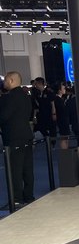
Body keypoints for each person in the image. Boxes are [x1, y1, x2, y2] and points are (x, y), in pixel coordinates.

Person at [0, 71, 35, 208]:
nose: (4, 82)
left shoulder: (8, 98)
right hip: (26, 135)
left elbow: (4, 116)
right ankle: (29, 196)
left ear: (11, 81)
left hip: (13, 137)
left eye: (5, 80)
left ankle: (16, 199)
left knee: (15, 170)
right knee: (27, 169)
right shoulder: (26, 96)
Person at [52, 82, 70, 149]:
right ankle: (65, 152)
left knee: (65, 137)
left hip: (63, 120)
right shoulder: (58, 99)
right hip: (62, 120)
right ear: (59, 90)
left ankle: (65, 151)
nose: (65, 89)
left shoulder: (59, 99)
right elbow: (62, 111)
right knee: (64, 137)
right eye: (63, 88)